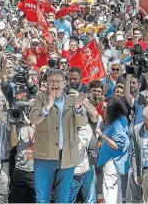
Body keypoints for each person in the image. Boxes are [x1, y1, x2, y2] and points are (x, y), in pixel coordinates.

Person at [29, 69, 88, 203]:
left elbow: (82, 122)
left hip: (66, 157)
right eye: (51, 81)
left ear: (64, 83)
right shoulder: (40, 98)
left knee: (63, 200)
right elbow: (33, 119)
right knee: (42, 199)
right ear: (47, 83)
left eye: (57, 81)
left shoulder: (72, 100)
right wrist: (47, 107)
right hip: (45, 156)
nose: (54, 84)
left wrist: (78, 107)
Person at [96, 97, 130, 204]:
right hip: (118, 160)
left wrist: (102, 135)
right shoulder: (122, 119)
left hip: (112, 160)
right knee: (116, 190)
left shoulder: (116, 124)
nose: (104, 110)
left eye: (106, 108)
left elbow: (118, 144)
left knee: (109, 188)